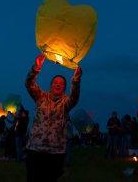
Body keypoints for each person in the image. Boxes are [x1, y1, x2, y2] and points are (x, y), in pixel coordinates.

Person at [25, 54, 82, 182]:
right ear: (51, 85)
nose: (58, 84)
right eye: (55, 82)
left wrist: (76, 80)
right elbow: (29, 84)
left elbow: (75, 97)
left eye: (61, 83)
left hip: (56, 152)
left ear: (65, 88)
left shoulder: (66, 103)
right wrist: (36, 68)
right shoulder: (41, 97)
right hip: (35, 149)